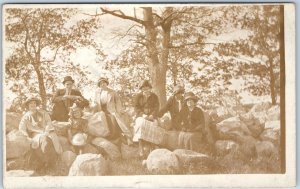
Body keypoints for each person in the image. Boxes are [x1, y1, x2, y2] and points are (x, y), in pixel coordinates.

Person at [19, 96, 62, 174]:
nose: (33, 105)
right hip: (36, 134)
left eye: (34, 103)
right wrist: (26, 137)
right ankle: (45, 164)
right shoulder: (25, 117)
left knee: (55, 143)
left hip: (48, 131)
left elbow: (49, 122)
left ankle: (53, 164)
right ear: (28, 105)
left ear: (36, 104)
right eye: (30, 103)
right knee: (43, 142)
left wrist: (47, 131)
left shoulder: (43, 113)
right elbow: (22, 128)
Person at [92, 77, 133, 144]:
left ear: (106, 83)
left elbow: (118, 102)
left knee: (115, 119)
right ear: (99, 85)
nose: (102, 84)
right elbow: (95, 102)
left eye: (104, 83)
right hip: (101, 110)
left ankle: (124, 136)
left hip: (111, 109)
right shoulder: (97, 92)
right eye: (101, 83)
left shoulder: (112, 92)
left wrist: (119, 110)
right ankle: (106, 137)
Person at [133, 80, 162, 158]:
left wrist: (152, 115)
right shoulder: (138, 96)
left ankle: (152, 148)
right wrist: (143, 115)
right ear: (142, 89)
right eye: (144, 89)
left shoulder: (154, 96)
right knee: (140, 124)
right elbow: (136, 107)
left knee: (154, 125)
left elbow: (157, 107)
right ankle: (141, 148)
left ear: (150, 88)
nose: (146, 90)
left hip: (152, 115)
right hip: (141, 115)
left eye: (148, 88)